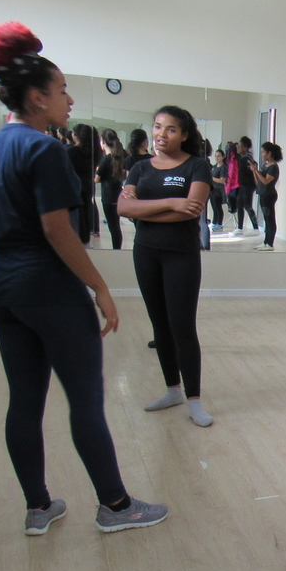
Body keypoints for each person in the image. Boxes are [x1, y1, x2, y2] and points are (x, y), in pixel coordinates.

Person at [0, 21, 168, 535]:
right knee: (85, 401)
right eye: (61, 90)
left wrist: (10, 275)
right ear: (36, 97)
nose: (69, 100)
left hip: (3, 290)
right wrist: (99, 286)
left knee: (24, 401)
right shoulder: (45, 149)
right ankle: (116, 506)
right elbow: (58, 229)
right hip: (51, 291)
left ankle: (39, 507)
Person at [117, 106, 214, 427]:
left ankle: (194, 399)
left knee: (182, 327)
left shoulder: (197, 166)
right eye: (158, 127)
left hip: (181, 256)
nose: (161, 134)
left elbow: (192, 209)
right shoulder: (140, 168)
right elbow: (123, 208)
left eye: (171, 129)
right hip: (145, 253)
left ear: (184, 135)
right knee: (159, 326)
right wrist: (171, 202)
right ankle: (173, 390)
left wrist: (143, 210)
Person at [95, 128, 127, 249]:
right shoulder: (120, 157)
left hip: (108, 197)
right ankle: (117, 248)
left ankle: (116, 250)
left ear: (103, 141)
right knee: (116, 226)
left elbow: (97, 179)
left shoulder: (106, 159)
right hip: (118, 195)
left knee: (113, 227)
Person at [67, 123, 98, 244]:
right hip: (89, 184)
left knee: (76, 213)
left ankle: (77, 237)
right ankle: (85, 237)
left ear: (76, 135)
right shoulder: (94, 152)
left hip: (74, 186)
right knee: (86, 210)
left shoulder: (71, 151)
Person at [251, 141, 282, 250]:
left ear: (269, 153)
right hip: (262, 194)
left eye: (263, 152)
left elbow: (265, 181)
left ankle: (270, 243)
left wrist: (256, 171)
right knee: (266, 219)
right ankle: (265, 242)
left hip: (269, 195)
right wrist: (254, 171)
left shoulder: (273, 167)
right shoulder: (265, 165)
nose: (262, 154)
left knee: (270, 219)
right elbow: (258, 182)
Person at [234, 135, 259, 234]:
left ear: (245, 148)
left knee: (247, 205)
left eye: (240, 146)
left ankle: (256, 228)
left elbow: (252, 171)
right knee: (239, 204)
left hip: (248, 185)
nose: (238, 148)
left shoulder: (247, 159)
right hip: (243, 185)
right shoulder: (242, 158)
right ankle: (240, 228)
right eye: (238, 145)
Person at [209, 148, 228, 231]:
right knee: (214, 207)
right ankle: (214, 222)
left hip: (219, 190)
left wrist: (212, 178)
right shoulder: (214, 167)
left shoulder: (223, 168)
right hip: (212, 189)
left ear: (223, 157)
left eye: (219, 156)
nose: (217, 158)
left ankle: (219, 224)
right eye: (216, 156)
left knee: (218, 207)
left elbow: (222, 180)